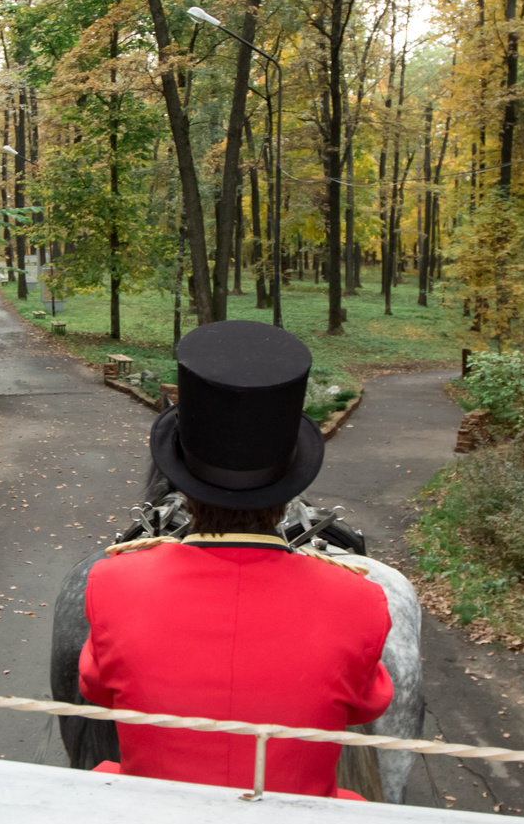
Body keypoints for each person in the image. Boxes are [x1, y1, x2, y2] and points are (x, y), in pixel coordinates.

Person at [76, 321, 393, 798]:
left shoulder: (113, 582)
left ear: (182, 486)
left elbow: (96, 689)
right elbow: (369, 704)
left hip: (151, 822)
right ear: (288, 496)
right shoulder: (360, 599)